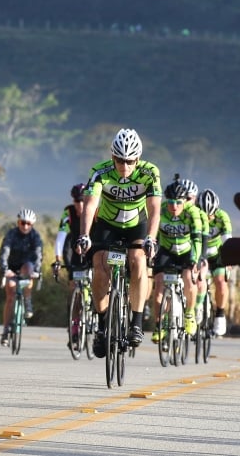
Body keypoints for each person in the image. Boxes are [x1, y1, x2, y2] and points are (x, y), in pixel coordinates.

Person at [76, 128, 161, 357]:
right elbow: (90, 205)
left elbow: (154, 208)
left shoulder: (150, 172)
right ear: (112, 157)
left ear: (138, 159)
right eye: (120, 160)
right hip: (108, 224)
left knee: (138, 260)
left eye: (130, 161)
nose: (124, 166)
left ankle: (136, 322)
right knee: (99, 265)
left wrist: (151, 238)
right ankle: (102, 324)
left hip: (137, 224)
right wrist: (84, 234)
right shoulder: (100, 172)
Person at [149, 180, 202, 342]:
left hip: (186, 251)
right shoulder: (161, 210)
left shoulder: (192, 213)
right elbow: (152, 235)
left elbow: (197, 239)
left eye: (178, 202)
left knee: (188, 278)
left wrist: (195, 260)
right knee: (159, 285)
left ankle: (189, 314)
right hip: (166, 251)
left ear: (185, 201)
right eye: (171, 202)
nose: (174, 206)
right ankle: (160, 325)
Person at [0, 209, 43, 346]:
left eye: (28, 224)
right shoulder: (11, 234)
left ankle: (27, 301)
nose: (25, 226)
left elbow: (38, 255)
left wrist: (37, 271)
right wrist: (5, 269)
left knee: (29, 270)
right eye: (23, 223)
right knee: (10, 294)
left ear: (32, 225)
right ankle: (6, 330)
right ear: (18, 222)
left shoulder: (35, 236)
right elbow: (4, 252)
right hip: (12, 268)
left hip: (26, 266)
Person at [53, 183, 88, 344]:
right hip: (75, 253)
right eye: (76, 201)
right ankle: (74, 326)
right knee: (74, 289)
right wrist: (58, 259)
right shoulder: (68, 212)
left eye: (82, 201)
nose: (79, 204)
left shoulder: (95, 210)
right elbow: (61, 237)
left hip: (92, 251)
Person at [196, 188, 232, 336]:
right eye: (204, 214)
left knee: (220, 282)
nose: (207, 218)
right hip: (200, 253)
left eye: (210, 215)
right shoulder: (193, 215)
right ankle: (195, 308)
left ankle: (220, 315)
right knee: (196, 281)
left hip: (217, 255)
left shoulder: (222, 217)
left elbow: (227, 241)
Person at [178, 177, 210, 323]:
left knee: (199, 277)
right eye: (182, 197)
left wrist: (199, 260)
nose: (185, 201)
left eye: (189, 198)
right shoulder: (172, 210)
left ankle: (196, 308)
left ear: (195, 199)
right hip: (176, 250)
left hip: (195, 251)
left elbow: (203, 241)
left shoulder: (200, 215)